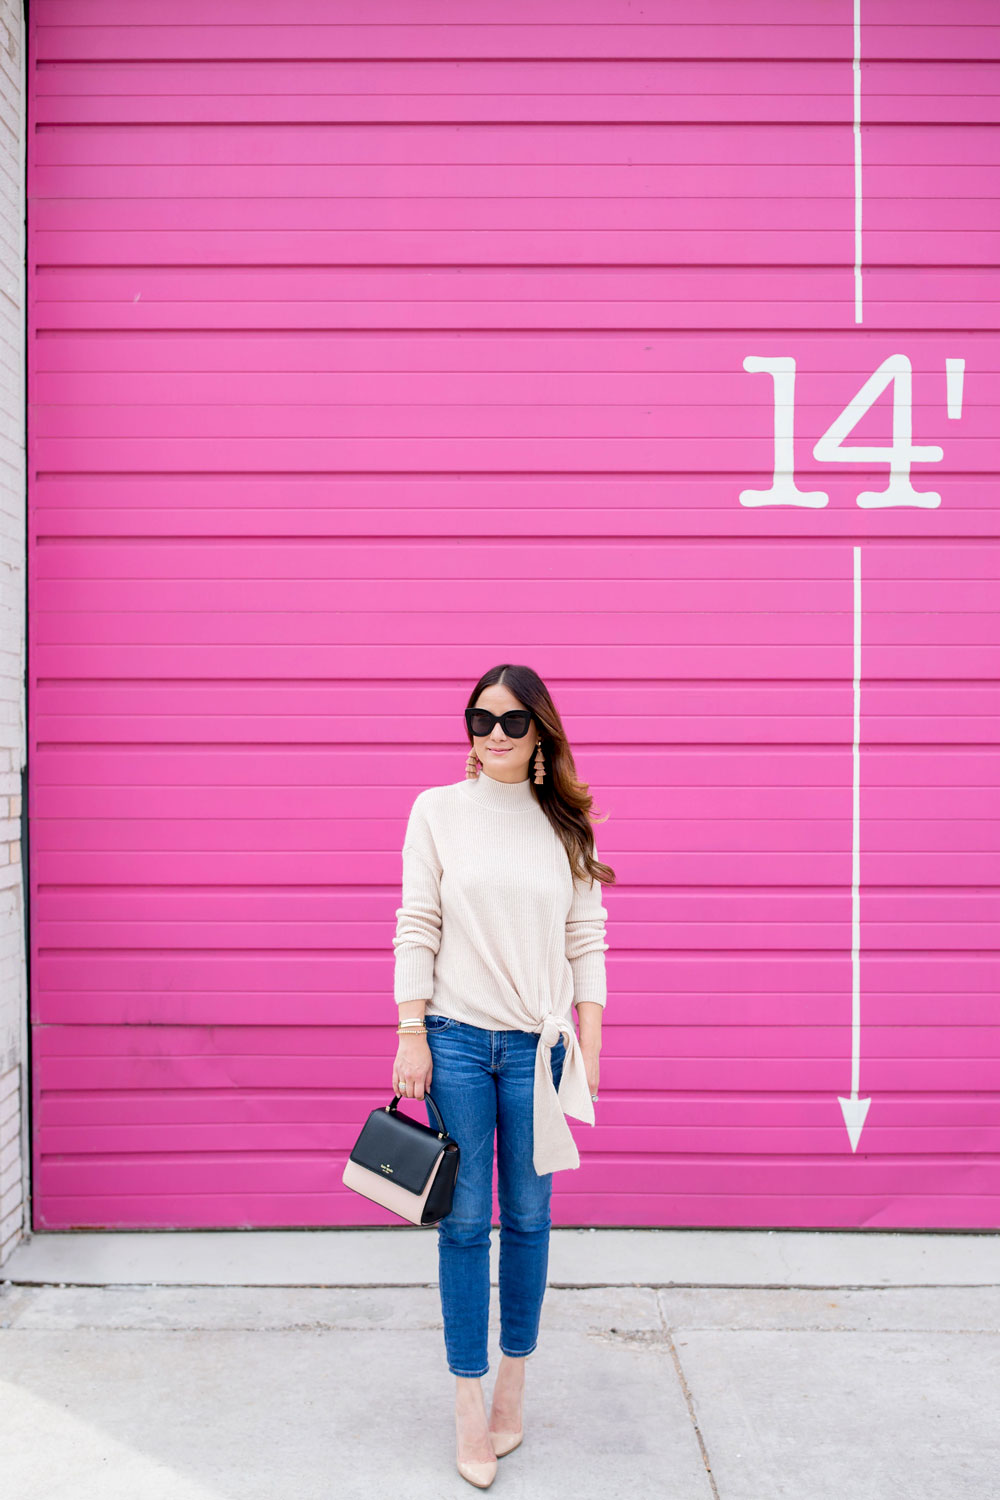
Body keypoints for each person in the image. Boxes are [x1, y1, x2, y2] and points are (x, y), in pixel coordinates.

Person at [391, 663, 614, 1489]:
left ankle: (513, 1384)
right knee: (462, 1220)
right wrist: (409, 1030)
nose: (491, 734)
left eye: (512, 723)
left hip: (540, 1049)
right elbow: (417, 921)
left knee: (527, 1214)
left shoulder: (567, 829)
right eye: (479, 718)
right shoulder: (436, 812)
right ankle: (466, 1397)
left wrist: (589, 1051)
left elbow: (586, 944)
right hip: (452, 1040)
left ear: (541, 735)